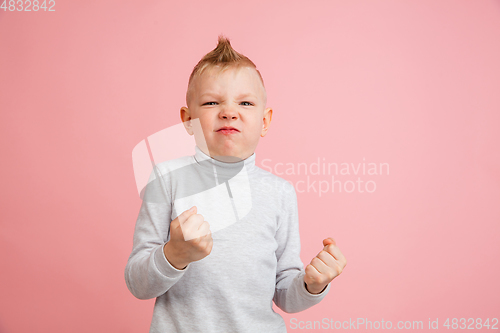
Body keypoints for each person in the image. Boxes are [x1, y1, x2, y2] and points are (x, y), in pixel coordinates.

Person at [124, 35, 347, 333]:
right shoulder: (167, 179)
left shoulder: (280, 193)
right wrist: (173, 255)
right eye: (211, 102)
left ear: (265, 121)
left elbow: (285, 295)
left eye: (245, 102)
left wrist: (313, 284)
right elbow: (138, 284)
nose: (229, 111)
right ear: (188, 120)